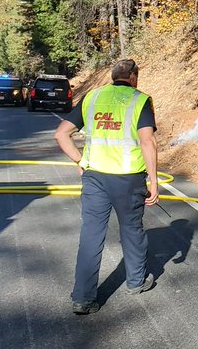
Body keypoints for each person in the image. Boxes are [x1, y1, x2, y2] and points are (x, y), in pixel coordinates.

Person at [54, 58, 159, 315]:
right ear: (133, 77)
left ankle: (82, 298)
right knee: (131, 230)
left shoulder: (93, 97)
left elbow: (61, 134)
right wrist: (154, 180)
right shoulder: (140, 100)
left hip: (95, 177)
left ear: (112, 76)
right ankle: (135, 282)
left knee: (91, 234)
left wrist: (80, 160)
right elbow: (147, 141)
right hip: (128, 178)